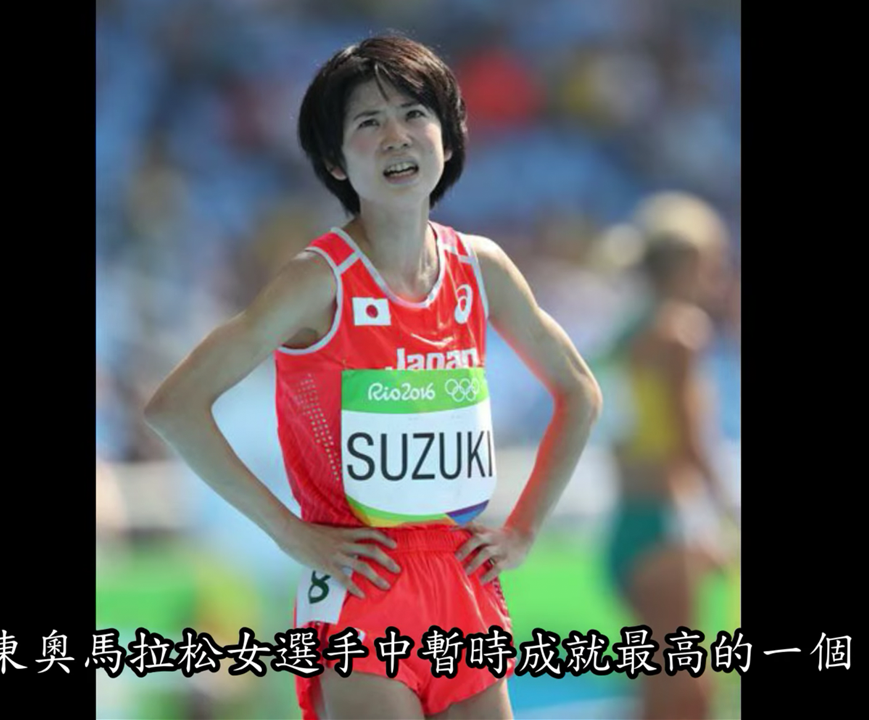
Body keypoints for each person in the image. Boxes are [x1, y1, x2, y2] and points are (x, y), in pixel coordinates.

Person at [144, 35, 602, 720]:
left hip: (463, 582)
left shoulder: (482, 268)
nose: (396, 136)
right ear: (335, 160)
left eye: (414, 114)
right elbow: (174, 408)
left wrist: (525, 529)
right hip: (361, 584)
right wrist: (291, 533)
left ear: (448, 136)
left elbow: (580, 393)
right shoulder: (317, 280)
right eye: (369, 122)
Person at [602, 191, 739, 720]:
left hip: (628, 525)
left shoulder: (625, 333)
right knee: (683, 695)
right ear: (688, 263)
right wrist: (728, 512)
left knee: (665, 687)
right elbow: (691, 441)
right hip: (665, 524)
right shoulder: (680, 332)